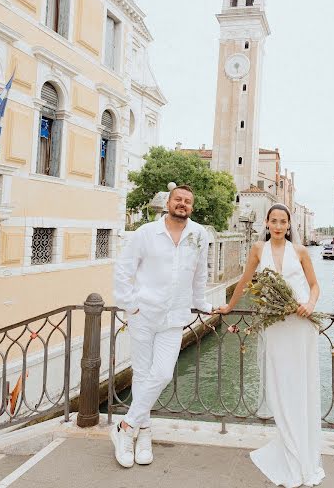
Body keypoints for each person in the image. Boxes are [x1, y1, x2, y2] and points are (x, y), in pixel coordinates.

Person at [217, 203, 325, 487]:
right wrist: (229, 306)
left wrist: (310, 304)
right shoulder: (257, 249)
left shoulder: (300, 252)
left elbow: (314, 286)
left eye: (283, 222)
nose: (278, 226)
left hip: (301, 323)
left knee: (300, 385)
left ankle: (302, 450)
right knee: (279, 386)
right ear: (267, 222)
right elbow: (244, 281)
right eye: (274, 221)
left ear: (289, 226)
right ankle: (289, 446)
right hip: (275, 325)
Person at [112, 185, 213, 468]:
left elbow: (200, 272)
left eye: (188, 201)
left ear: (191, 207)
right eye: (178, 199)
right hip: (143, 314)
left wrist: (201, 301)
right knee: (142, 374)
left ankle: (126, 427)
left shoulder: (199, 234)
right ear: (168, 203)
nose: (182, 204)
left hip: (174, 317)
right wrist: (130, 304)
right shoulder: (146, 233)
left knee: (164, 373)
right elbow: (124, 268)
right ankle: (143, 432)